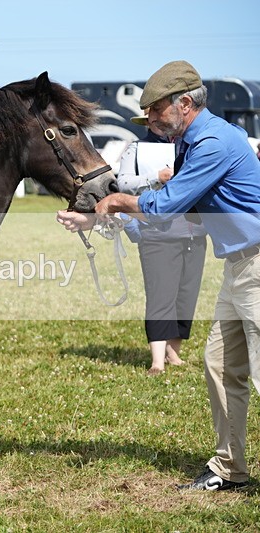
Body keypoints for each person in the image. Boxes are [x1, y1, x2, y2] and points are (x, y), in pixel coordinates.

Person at [60, 60, 260, 491]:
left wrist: (115, 200)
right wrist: (98, 221)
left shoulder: (212, 143)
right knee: (221, 365)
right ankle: (230, 469)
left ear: (184, 103)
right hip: (240, 266)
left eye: (153, 111)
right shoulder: (195, 141)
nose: (148, 120)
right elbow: (182, 212)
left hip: (257, 266)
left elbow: (167, 204)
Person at [117, 115, 207, 376]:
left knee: (186, 294)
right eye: (153, 121)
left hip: (194, 232)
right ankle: (157, 360)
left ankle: (173, 352)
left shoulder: (191, 147)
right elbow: (121, 183)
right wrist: (155, 177)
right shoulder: (136, 148)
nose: (159, 124)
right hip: (156, 233)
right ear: (148, 124)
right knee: (160, 295)